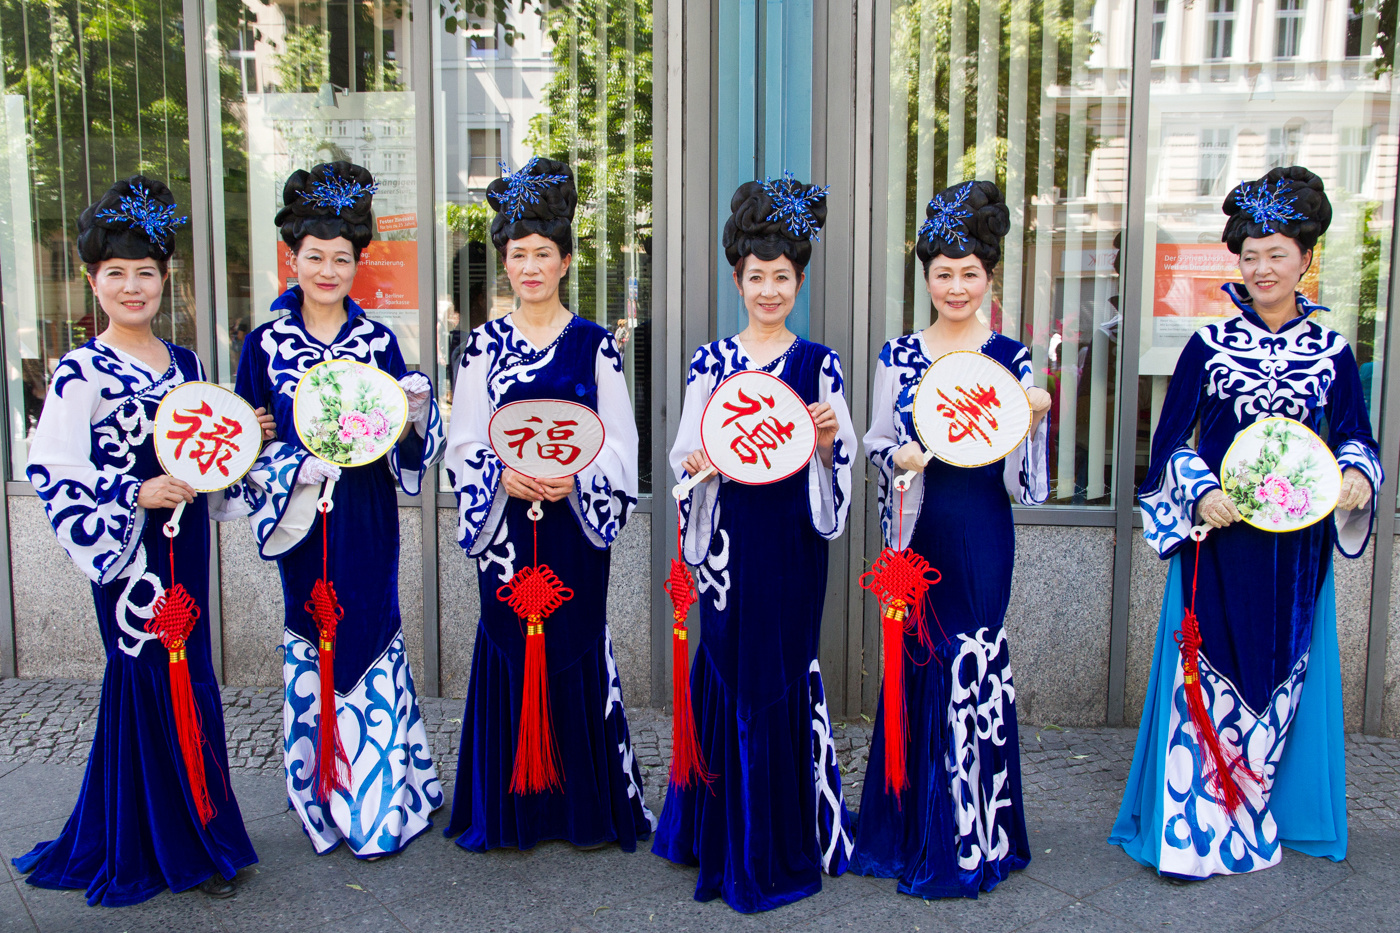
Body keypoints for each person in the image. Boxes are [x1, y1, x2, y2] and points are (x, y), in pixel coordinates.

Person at [1111, 166, 1381, 878]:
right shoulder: (1207, 346)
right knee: (1207, 669)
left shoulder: (1334, 352)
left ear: (1306, 259)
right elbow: (1168, 442)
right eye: (1250, 254)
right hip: (1219, 542)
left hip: (1297, 550)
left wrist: (1356, 473)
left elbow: (1356, 434)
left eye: (1277, 253)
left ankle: (1258, 806)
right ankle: (1195, 827)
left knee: (1279, 671)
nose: (1262, 268)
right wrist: (1197, 491)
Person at [15, 177, 265, 904]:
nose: (133, 287)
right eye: (116, 274)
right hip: (128, 557)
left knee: (192, 676)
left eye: (146, 274)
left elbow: (206, 453)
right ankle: (169, 843)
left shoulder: (185, 365)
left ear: (165, 280)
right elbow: (53, 469)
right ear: (94, 283)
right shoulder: (79, 372)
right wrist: (133, 491)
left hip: (185, 546)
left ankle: (198, 831)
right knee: (150, 675)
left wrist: (244, 437)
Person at [652, 173, 857, 913]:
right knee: (730, 659)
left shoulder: (818, 365)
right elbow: (684, 453)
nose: (769, 290)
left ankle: (785, 832)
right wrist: (699, 465)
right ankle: (722, 830)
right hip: (730, 545)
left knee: (784, 661)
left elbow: (843, 468)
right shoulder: (712, 362)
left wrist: (829, 445)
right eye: (756, 277)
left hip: (793, 544)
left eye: (782, 277)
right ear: (736, 279)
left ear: (799, 281)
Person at [443, 157, 654, 852]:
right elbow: (465, 439)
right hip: (506, 530)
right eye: (517, 255)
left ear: (565, 260)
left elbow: (622, 445)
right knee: (509, 645)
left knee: (573, 645)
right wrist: (497, 476)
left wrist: (582, 475)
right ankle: (511, 810)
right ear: (504, 264)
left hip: (571, 526)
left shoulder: (597, 346)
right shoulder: (481, 348)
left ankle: (582, 808)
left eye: (543, 254)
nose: (530, 267)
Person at [236, 161, 445, 858]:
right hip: (300, 522)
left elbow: (405, 444)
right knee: (313, 630)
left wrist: (416, 413)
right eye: (314, 256)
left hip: (365, 515)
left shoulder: (378, 342)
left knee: (371, 632)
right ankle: (320, 791)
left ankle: (383, 799)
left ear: (360, 262)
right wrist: (283, 454)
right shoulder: (262, 345)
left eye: (341, 258)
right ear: (292, 257)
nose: (327, 270)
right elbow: (243, 444)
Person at [851, 180, 1051, 898]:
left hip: (981, 529)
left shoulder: (1011, 356)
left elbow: (1031, 482)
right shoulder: (899, 355)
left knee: (974, 661)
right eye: (943, 273)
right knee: (916, 664)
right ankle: (912, 825)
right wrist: (898, 456)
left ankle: (973, 828)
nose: (957, 285)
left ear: (989, 277)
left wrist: (1032, 422)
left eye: (970, 272)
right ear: (926, 278)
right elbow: (874, 439)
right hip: (917, 531)